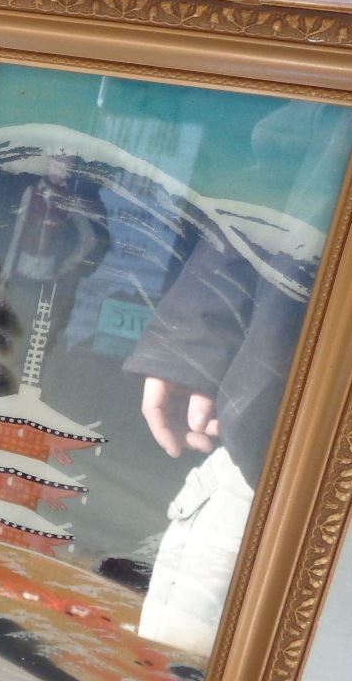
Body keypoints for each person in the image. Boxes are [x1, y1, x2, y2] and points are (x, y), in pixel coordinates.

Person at [125, 230, 304, 656]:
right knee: (177, 675)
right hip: (265, 459)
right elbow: (274, 198)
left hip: (269, 445)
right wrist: (198, 338)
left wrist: (198, 336)